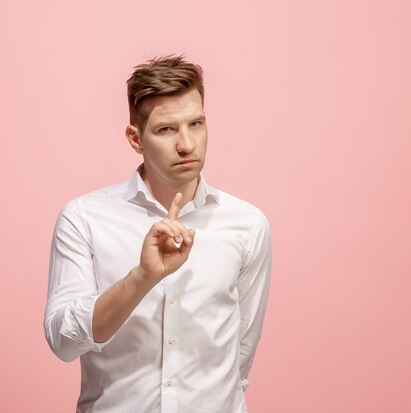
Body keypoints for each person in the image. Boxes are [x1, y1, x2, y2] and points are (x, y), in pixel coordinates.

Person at [44, 55, 272, 413]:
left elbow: (241, 351)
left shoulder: (247, 224)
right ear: (135, 138)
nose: (187, 144)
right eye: (166, 129)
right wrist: (142, 277)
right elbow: (64, 342)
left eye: (196, 124)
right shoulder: (84, 218)